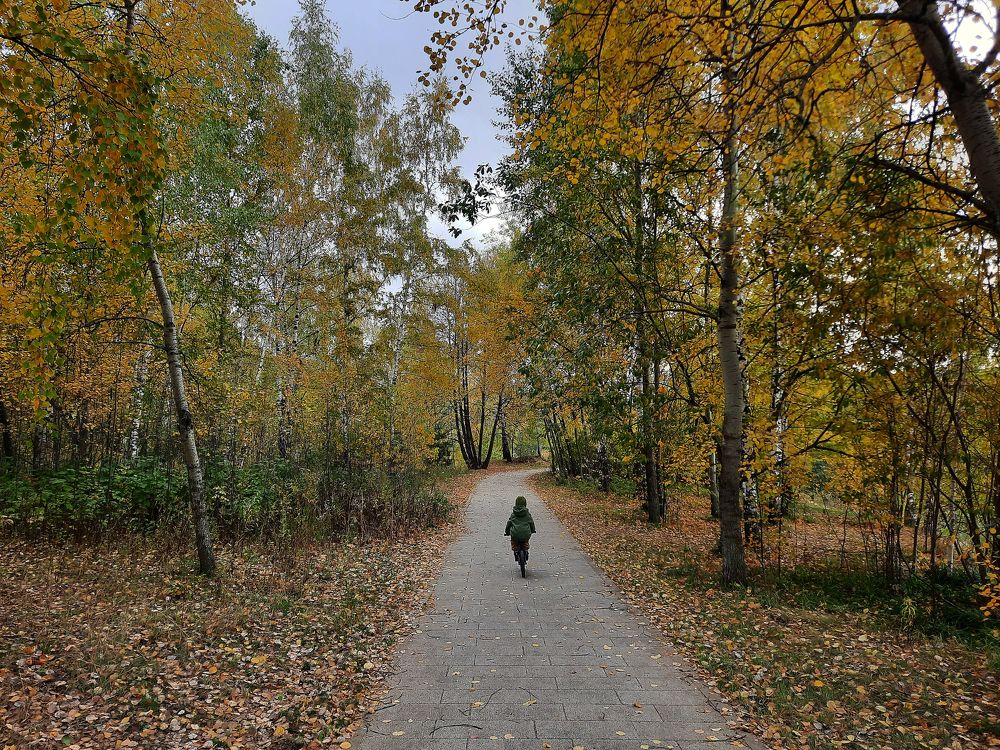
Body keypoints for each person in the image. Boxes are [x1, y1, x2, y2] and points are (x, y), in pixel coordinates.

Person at [504, 495, 536, 559]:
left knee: (514, 541)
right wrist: (533, 530)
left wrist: (507, 532)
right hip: (526, 533)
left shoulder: (513, 514)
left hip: (515, 534)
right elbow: (531, 523)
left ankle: (515, 549)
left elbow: (509, 524)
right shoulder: (527, 514)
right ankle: (526, 548)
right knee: (525, 540)